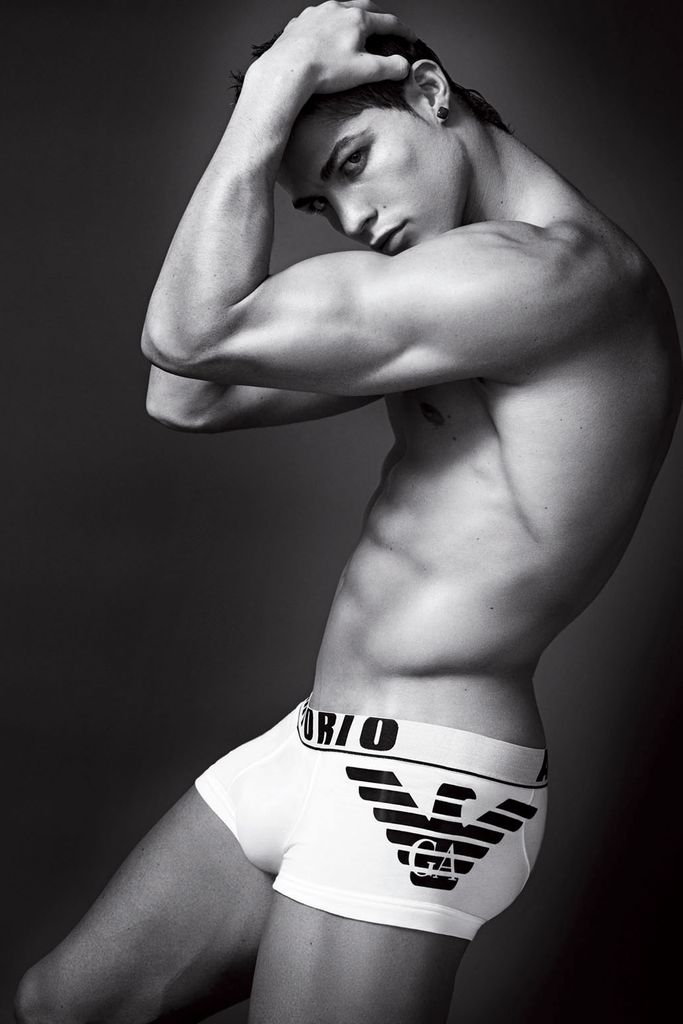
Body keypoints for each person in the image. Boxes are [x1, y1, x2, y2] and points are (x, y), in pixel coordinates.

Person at [15, 1, 681, 1022]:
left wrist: (274, 86)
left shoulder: (552, 279)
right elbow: (184, 393)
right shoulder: (451, 292)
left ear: (429, 93)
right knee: (62, 1005)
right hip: (318, 738)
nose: (355, 219)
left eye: (353, 163)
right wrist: (270, 112)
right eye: (319, 205)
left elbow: (187, 334)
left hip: (424, 776)